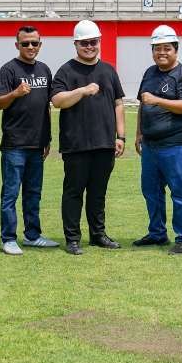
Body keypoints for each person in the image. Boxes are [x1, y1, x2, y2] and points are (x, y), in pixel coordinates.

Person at [50, 20, 126, 256]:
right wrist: (82, 91)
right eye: (84, 43)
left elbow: (118, 103)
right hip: (76, 144)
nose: (89, 47)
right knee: (73, 192)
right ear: (76, 44)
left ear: (99, 42)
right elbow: (57, 101)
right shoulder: (66, 71)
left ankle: (98, 234)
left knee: (98, 192)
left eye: (93, 42)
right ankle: (72, 238)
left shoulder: (108, 70)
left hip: (104, 142)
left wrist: (120, 136)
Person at [133, 25, 182, 255]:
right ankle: (157, 233)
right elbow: (143, 103)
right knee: (150, 191)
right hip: (151, 145)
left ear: (176, 49)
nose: (161, 53)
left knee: (179, 191)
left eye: (166, 48)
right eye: (157, 48)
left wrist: (157, 100)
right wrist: (138, 132)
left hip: (177, 144)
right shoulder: (149, 73)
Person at [0, 26, 58, 256]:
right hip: (15, 145)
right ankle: (8, 238)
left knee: (33, 193)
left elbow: (47, 106)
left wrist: (48, 137)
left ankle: (32, 235)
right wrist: (15, 93)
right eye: (25, 43)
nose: (30, 47)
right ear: (17, 45)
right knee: (10, 193)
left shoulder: (44, 69)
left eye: (34, 43)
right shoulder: (9, 69)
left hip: (37, 143)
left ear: (40, 44)